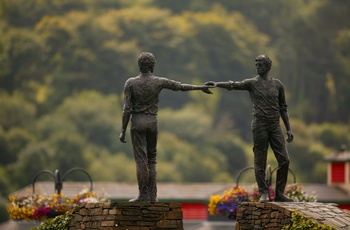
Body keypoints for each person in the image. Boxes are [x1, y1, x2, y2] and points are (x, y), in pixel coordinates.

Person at [119, 52, 213, 202]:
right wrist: (200, 87)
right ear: (152, 66)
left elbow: (127, 109)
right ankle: (153, 196)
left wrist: (123, 130)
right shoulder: (159, 81)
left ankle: (143, 195)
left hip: (137, 123)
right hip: (152, 123)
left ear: (139, 66)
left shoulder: (130, 83)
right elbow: (180, 87)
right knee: (152, 160)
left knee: (141, 161)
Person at [206, 55, 294, 202]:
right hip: (259, 125)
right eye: (256, 64)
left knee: (284, 160)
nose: (257, 66)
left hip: (275, 125)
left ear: (268, 66)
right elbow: (234, 85)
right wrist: (216, 84)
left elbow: (283, 107)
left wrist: (289, 129)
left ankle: (279, 193)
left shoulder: (277, 85)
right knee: (260, 160)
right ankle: (263, 192)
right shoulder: (252, 83)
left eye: (260, 64)